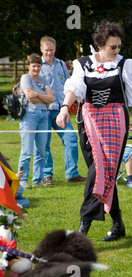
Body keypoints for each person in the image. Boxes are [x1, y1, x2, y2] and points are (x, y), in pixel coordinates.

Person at [56, 21, 132, 242]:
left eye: (119, 46)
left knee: (100, 172)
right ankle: (118, 224)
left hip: (114, 123)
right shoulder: (82, 63)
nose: (117, 51)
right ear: (99, 45)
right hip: (87, 123)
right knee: (102, 173)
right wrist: (63, 109)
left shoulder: (125, 64)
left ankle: (83, 228)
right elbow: (75, 88)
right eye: (112, 47)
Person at [39, 36, 86, 186]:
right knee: (44, 143)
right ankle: (47, 176)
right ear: (41, 50)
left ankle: (71, 173)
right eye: (47, 50)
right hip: (44, 111)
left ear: (55, 49)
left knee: (71, 139)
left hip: (61, 111)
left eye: (52, 50)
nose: (49, 53)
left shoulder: (61, 65)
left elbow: (70, 84)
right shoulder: (37, 65)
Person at [17, 53, 54, 189]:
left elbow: (52, 99)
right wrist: (44, 98)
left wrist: (38, 94)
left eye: (38, 66)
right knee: (26, 151)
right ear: (28, 66)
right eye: (33, 66)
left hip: (44, 115)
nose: (36, 69)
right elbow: (29, 98)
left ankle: (37, 180)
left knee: (41, 150)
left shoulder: (43, 79)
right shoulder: (25, 78)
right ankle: (23, 179)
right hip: (29, 116)